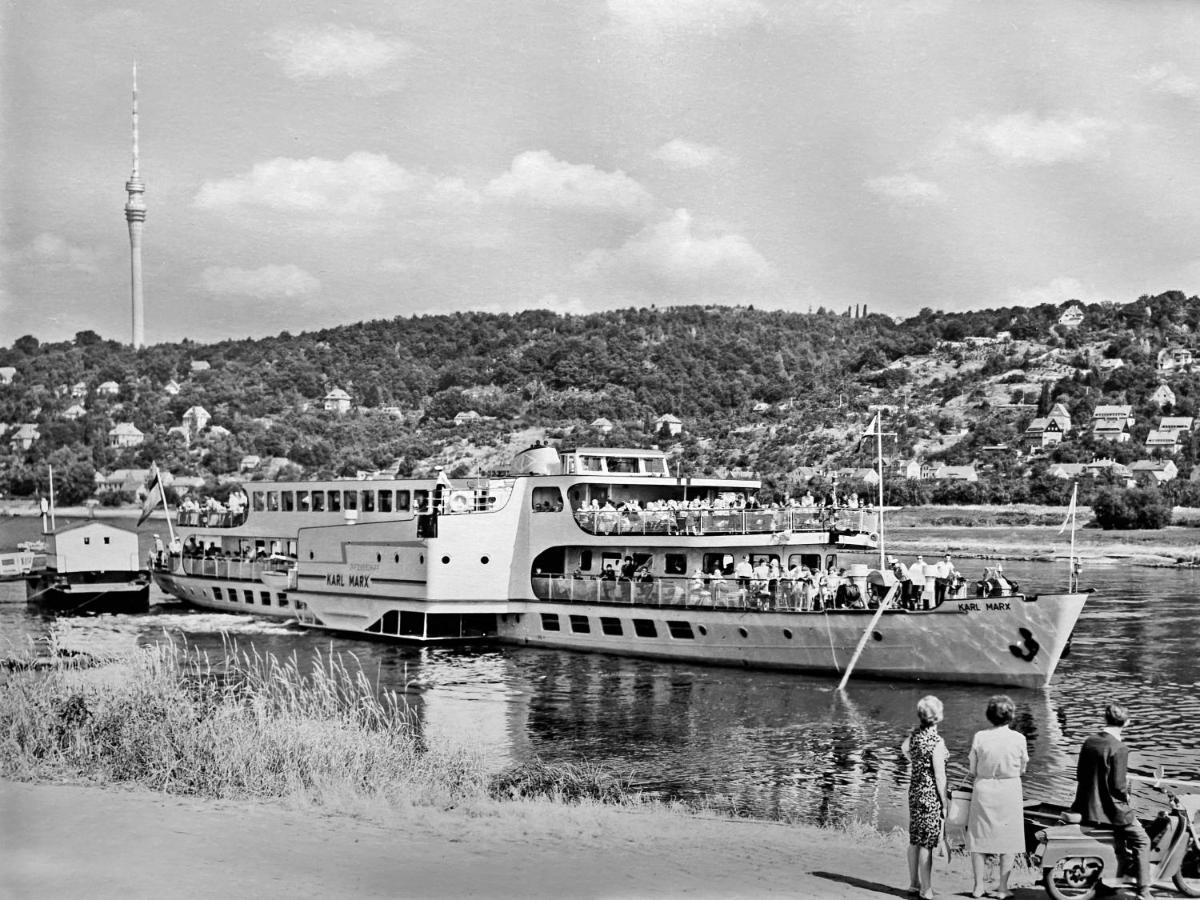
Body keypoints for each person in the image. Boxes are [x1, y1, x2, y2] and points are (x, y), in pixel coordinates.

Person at [1071, 703, 1154, 900]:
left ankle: (1110, 882)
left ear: (1105, 719)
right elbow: (1118, 786)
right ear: (1126, 723)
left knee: (1117, 843)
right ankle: (1143, 890)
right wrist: (1126, 799)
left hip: (1085, 806)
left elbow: (1080, 774)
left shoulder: (1089, 741)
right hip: (1111, 810)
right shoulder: (1120, 748)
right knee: (1142, 841)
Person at [965, 695, 1028, 899]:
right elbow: (1023, 767)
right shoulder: (1019, 738)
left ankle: (978, 886)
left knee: (979, 837)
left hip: (984, 787)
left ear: (989, 715)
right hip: (1009, 788)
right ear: (1010, 715)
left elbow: (972, 767)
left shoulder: (980, 736)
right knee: (1008, 840)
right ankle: (1002, 887)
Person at [901, 695, 949, 900]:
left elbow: (904, 750)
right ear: (937, 717)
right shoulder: (937, 742)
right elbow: (939, 775)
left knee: (915, 838)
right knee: (927, 843)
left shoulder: (913, 736)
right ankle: (926, 889)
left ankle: (914, 883)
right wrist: (944, 801)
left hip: (915, 790)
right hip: (930, 794)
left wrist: (918, 762)